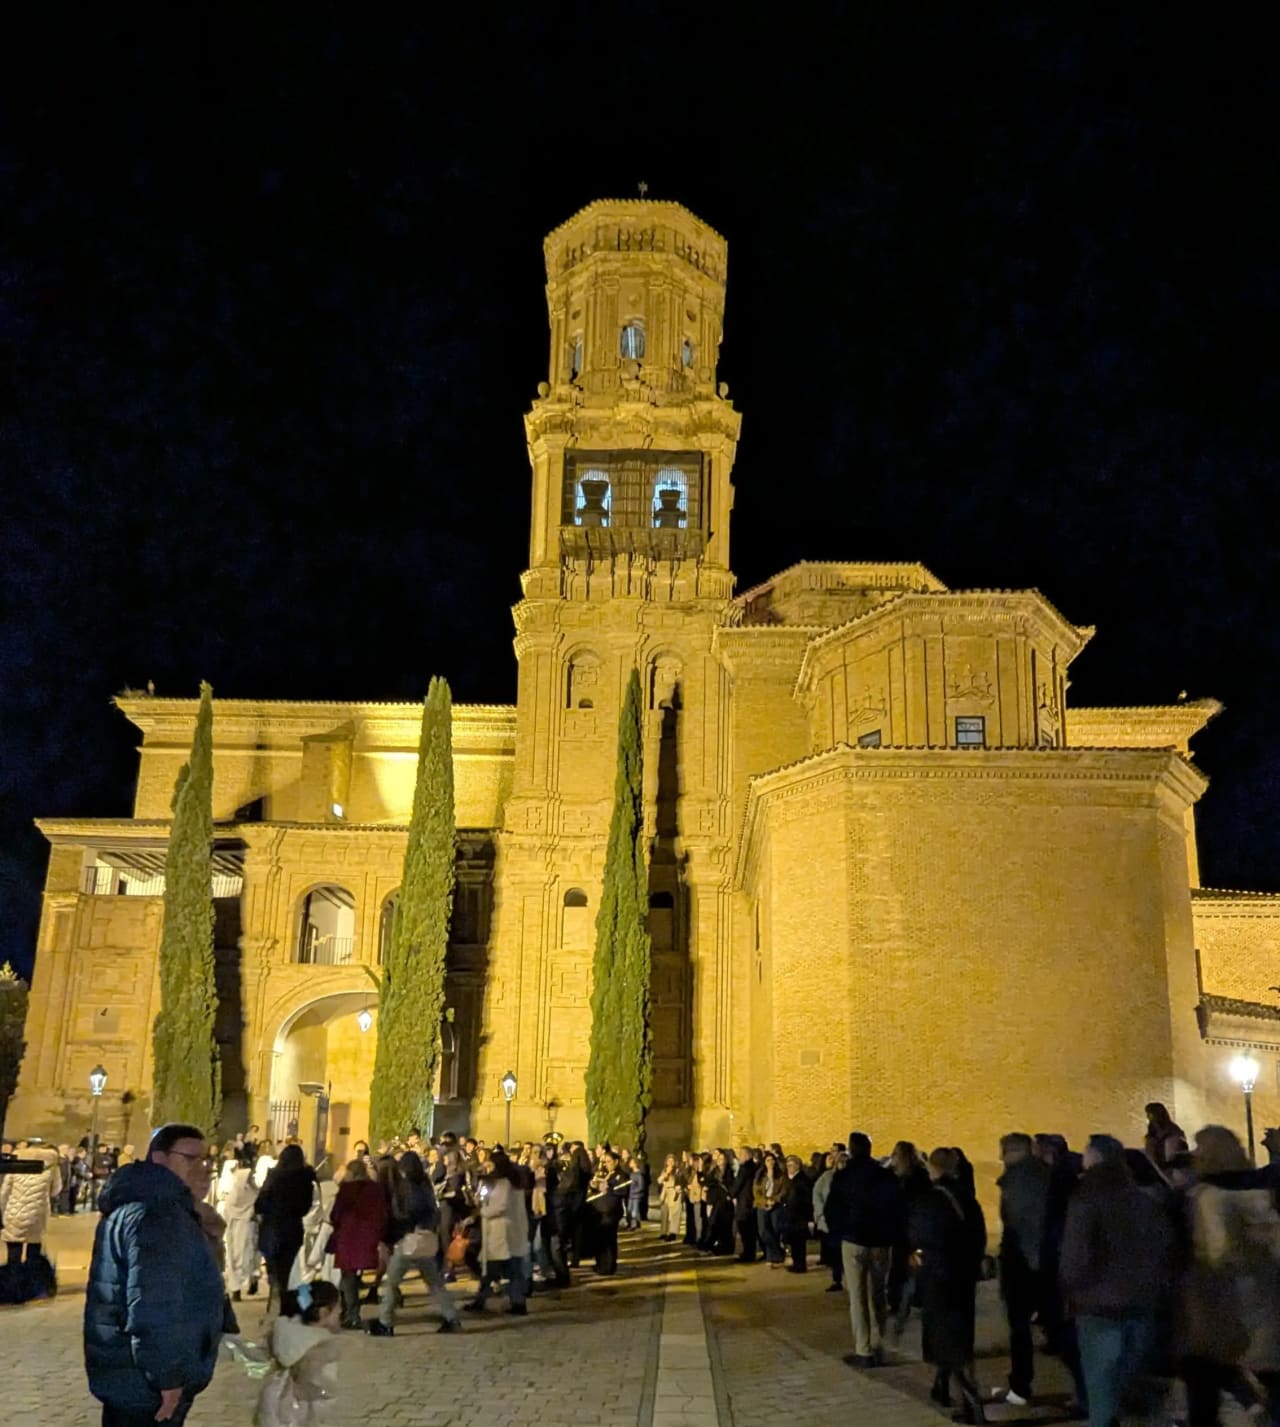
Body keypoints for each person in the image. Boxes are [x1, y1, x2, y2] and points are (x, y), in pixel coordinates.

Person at [84, 1123, 226, 1427]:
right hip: (146, 1380)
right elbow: (154, 1303)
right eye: (191, 1159)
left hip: (128, 1372)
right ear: (160, 1158)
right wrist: (167, 1377)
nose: (204, 1169)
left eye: (207, 1161)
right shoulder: (159, 1214)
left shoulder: (149, 1205)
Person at [1058, 1134, 1174, 1427]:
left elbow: (1076, 1255)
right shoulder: (1142, 1198)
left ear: (1095, 1158)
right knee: (1133, 1384)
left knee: (1102, 1391)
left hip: (1098, 1307)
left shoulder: (1086, 1196)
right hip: (1141, 1302)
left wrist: (1069, 1289)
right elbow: (1162, 1248)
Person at [1179, 1124, 1280, 1427]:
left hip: (1227, 1306)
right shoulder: (1261, 1189)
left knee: (1205, 1382)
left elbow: (1217, 1253)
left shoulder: (1208, 1196)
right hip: (1265, 1300)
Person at [910, 1147, 989, 1424]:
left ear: (934, 1168)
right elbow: (978, 1235)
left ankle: (973, 1407)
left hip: (940, 1278)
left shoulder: (931, 1199)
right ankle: (941, 1387)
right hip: (964, 1277)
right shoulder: (967, 1197)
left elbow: (919, 1233)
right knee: (955, 1336)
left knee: (951, 1342)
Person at [825, 1131, 901, 1368]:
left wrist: (838, 1233)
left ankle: (863, 1349)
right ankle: (879, 1344)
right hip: (880, 1241)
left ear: (851, 1149)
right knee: (879, 1293)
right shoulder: (885, 1176)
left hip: (854, 1239)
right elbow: (897, 1206)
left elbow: (832, 1209)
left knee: (857, 1296)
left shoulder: (844, 1176)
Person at [367, 1150, 460, 1336]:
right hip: (426, 1240)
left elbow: (406, 1214)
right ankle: (452, 1318)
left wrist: (397, 1230)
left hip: (410, 1240)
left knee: (392, 1282)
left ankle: (386, 1322)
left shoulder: (409, 1187)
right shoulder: (425, 1185)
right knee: (435, 1283)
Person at [991, 1132, 1050, 1408]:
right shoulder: (1040, 1175)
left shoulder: (1020, 1182)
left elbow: (1025, 1226)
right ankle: (1019, 1382)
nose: (1001, 1157)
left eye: (1005, 1151)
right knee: (1045, 1327)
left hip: (1024, 1266)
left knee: (1021, 1327)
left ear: (1017, 1151)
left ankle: (1020, 1386)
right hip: (1034, 1264)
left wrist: (1032, 1266)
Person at [255, 1280, 342, 1427]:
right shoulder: (320, 1344)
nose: (340, 1312)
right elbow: (321, 1389)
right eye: (338, 1310)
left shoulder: (282, 1331)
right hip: (299, 1410)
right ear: (324, 1312)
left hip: (271, 1400)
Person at [255, 1144, 318, 1311]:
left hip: (272, 1229)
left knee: (274, 1273)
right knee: (288, 1271)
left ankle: (276, 1306)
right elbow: (305, 1207)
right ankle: (287, 1306)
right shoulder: (305, 1179)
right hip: (292, 1229)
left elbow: (260, 1204)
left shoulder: (274, 1177)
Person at [466, 1152, 530, 1315]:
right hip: (507, 1231)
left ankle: (516, 1303)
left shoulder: (504, 1183)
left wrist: (483, 1211)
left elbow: (500, 1206)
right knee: (497, 1268)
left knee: (503, 1267)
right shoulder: (512, 1182)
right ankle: (489, 1300)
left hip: (501, 1231)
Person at [328, 1158, 386, 1330]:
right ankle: (349, 1312)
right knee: (355, 1274)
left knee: (348, 1276)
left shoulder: (346, 1190)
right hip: (368, 1236)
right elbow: (382, 1213)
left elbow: (335, 1214)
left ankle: (351, 1313)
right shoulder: (374, 1189)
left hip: (348, 1236)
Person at [0, 1140, 60, 1265]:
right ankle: (31, 1279)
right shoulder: (52, 1167)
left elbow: (4, 1192)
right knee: (34, 1249)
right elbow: (56, 1190)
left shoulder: (15, 1165)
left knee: (14, 1252)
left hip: (14, 1212)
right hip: (38, 1213)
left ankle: (13, 1278)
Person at [217, 1147, 259, 1301]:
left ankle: (246, 1284)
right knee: (235, 1259)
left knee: (245, 1258)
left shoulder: (250, 1193)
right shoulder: (238, 1196)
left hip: (246, 1231)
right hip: (238, 1231)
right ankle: (236, 1289)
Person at [813, 1150, 847, 1292]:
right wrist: (821, 1215)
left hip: (848, 1222)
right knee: (836, 1253)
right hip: (833, 1222)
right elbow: (817, 1195)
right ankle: (837, 1279)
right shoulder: (827, 1177)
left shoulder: (853, 1179)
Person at [779, 1154, 813, 1272]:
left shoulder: (803, 1180)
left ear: (798, 1166)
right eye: (788, 1165)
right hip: (790, 1215)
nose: (789, 1167)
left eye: (792, 1165)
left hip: (799, 1215)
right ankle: (796, 1263)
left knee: (799, 1243)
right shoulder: (788, 1179)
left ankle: (800, 1265)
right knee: (793, 1242)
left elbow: (806, 1198)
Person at [753, 1150, 787, 1267]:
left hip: (776, 1205)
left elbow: (783, 1191)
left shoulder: (780, 1175)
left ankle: (771, 1257)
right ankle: (778, 1252)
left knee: (774, 1230)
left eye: (772, 1160)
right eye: (768, 1160)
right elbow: (756, 1191)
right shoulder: (760, 1175)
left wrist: (774, 1200)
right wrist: (765, 1201)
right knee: (763, 1231)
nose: (770, 1162)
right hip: (762, 1204)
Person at [732, 1146, 760, 1262]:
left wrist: (731, 1193)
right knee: (751, 1230)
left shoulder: (744, 1168)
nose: (739, 1157)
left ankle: (748, 1254)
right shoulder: (755, 1167)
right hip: (751, 1201)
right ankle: (750, 1253)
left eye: (741, 1155)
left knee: (744, 1228)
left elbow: (738, 1184)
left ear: (747, 1156)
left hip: (744, 1202)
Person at [1144, 1102, 1187, 1169]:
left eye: (1150, 1114)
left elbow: (1176, 1150)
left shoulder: (1173, 1129)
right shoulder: (1152, 1130)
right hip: (1154, 1167)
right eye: (1147, 1114)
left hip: (1169, 1167)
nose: (1147, 1117)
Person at [657, 1153, 683, 1241]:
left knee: (674, 1214)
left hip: (674, 1192)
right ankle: (663, 1232)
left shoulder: (678, 1171)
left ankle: (673, 1232)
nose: (670, 1162)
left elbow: (680, 1180)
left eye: (672, 1161)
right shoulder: (664, 1170)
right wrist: (666, 1174)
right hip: (665, 1193)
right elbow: (659, 1181)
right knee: (664, 1213)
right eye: (669, 1161)